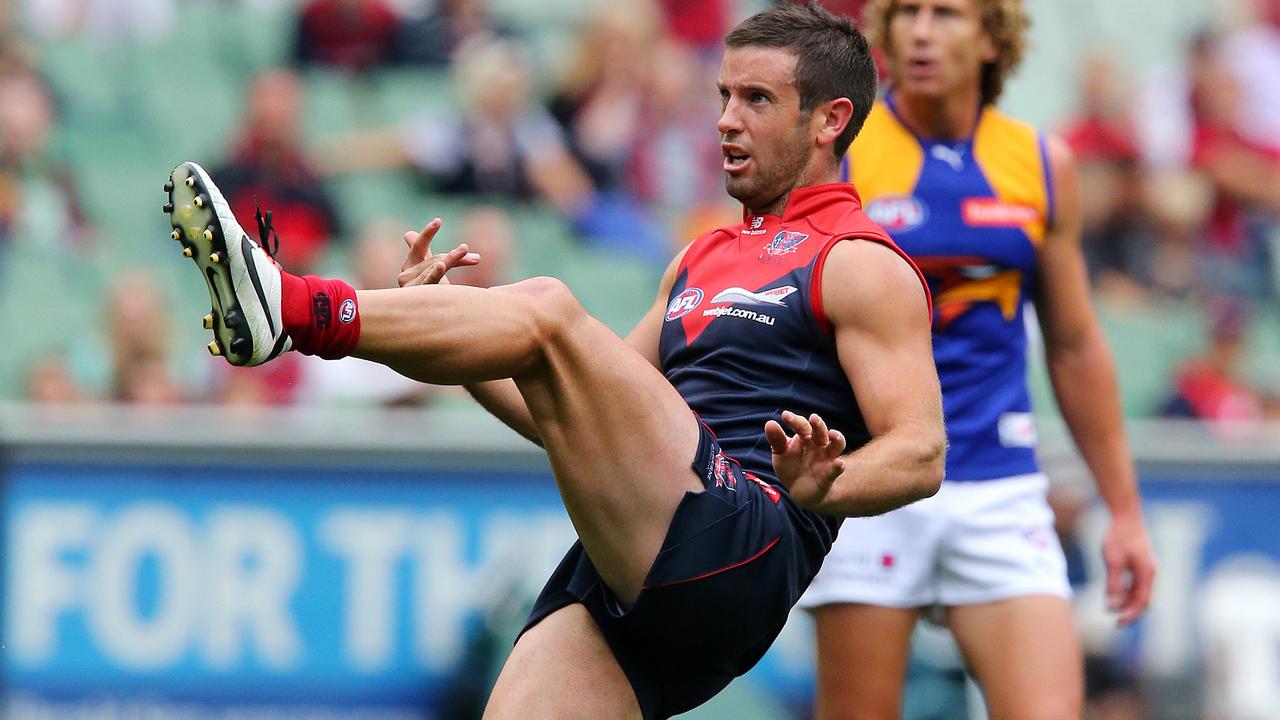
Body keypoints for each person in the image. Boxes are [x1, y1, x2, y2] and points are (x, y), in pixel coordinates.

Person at [162, 3, 945, 718]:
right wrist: (442, 335)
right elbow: (559, 413)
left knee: (548, 307)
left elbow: (921, 452)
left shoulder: (861, 263)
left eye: (757, 101)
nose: (726, 122)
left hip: (744, 540)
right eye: (723, 97)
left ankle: (294, 308)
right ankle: (303, 311)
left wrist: (830, 483)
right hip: (649, 564)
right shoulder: (700, 258)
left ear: (829, 121)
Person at [799, 2, 1158, 719]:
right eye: (908, 14)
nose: (923, 32)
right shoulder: (844, 152)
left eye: (948, 14)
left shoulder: (1040, 161)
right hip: (873, 482)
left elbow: (1075, 343)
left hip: (1000, 482)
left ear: (993, 40)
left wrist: (1124, 510)